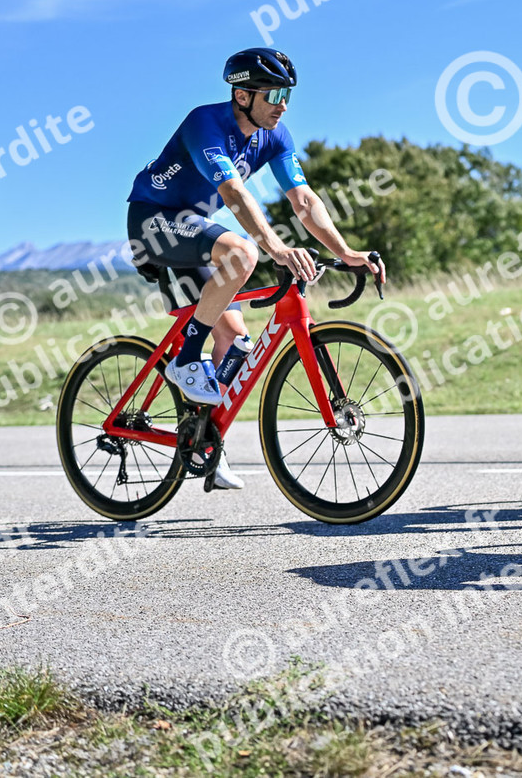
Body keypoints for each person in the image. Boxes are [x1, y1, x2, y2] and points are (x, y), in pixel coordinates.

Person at [126, 47, 382, 491]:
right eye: (274, 94)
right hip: (153, 221)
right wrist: (277, 249)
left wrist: (346, 252)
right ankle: (185, 359)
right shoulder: (205, 124)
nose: (283, 105)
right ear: (242, 96)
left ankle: (205, 443)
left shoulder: (275, 136)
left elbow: (304, 201)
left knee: (234, 340)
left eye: (288, 95)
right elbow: (234, 195)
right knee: (242, 253)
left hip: (194, 226)